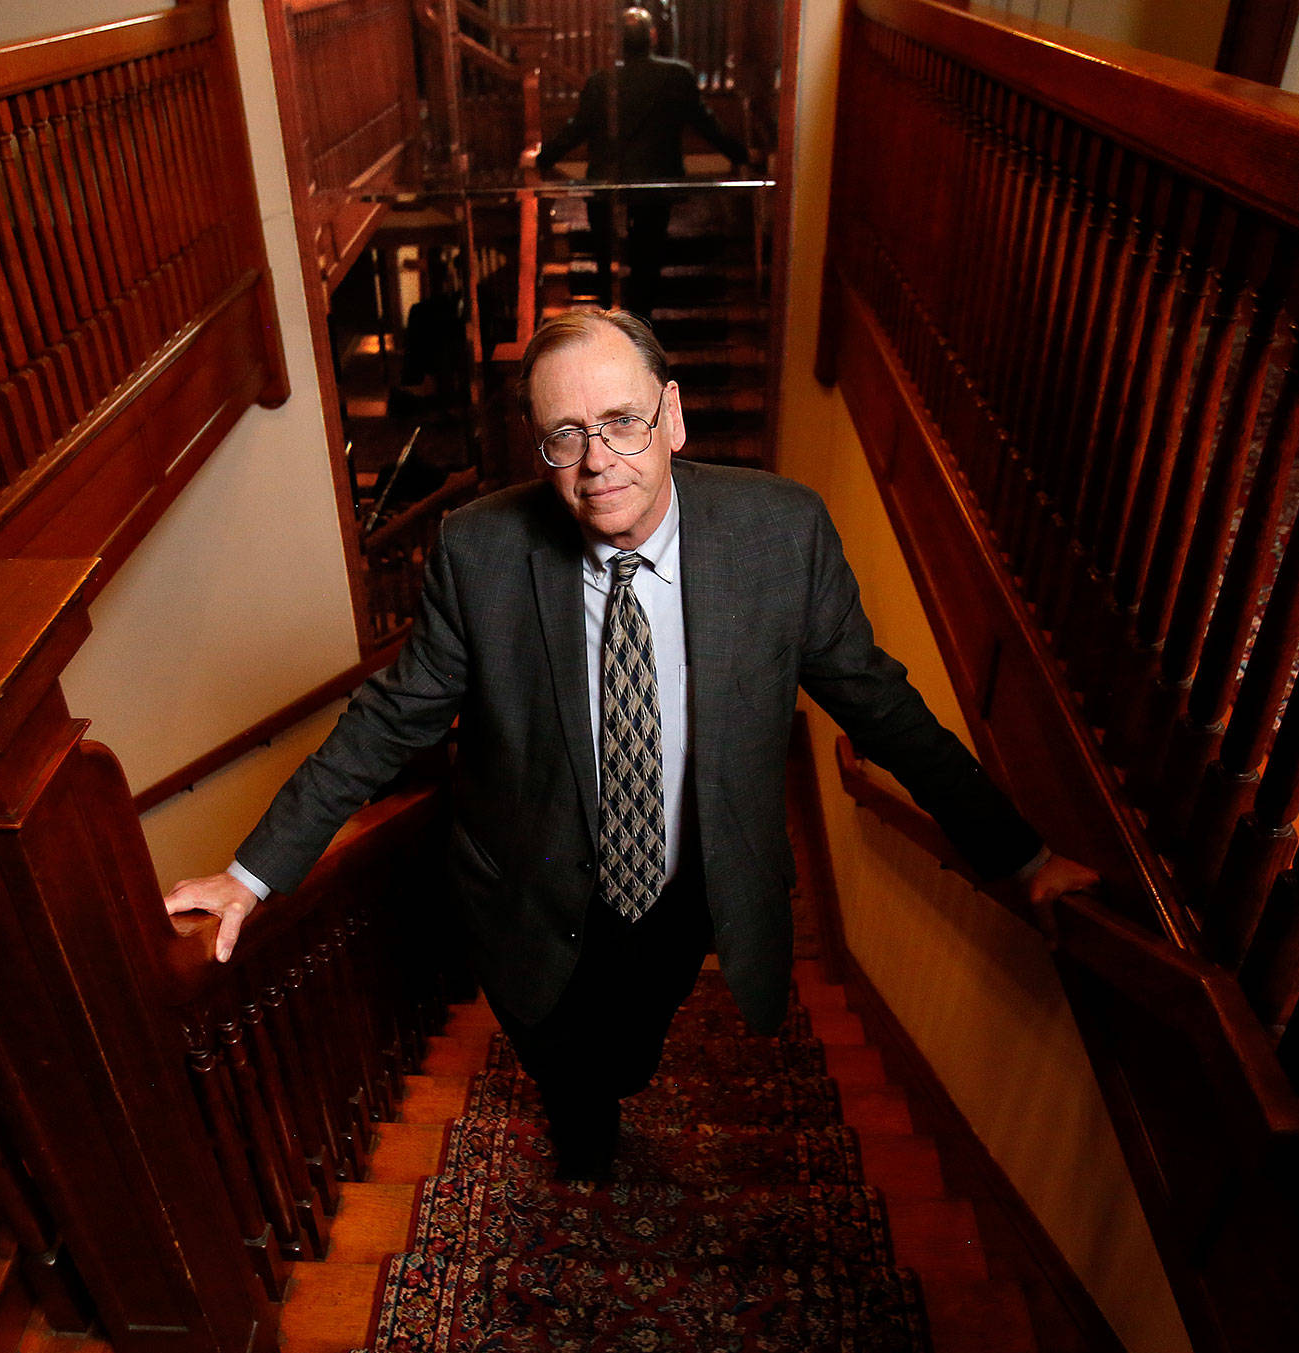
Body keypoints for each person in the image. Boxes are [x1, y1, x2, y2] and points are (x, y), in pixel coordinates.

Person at [166, 308, 1096, 1180]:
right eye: (564, 434)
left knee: (633, 1038)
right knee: (560, 1052)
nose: (597, 459)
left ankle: (607, 1078)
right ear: (541, 449)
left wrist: (1023, 855)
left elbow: (882, 709)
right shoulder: (479, 551)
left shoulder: (781, 535)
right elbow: (389, 718)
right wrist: (249, 874)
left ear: (674, 417)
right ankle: (582, 1127)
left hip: (687, 878)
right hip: (527, 884)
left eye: (622, 421)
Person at [521, 7, 750, 319]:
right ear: (652, 37)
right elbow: (707, 125)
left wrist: (542, 158)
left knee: (603, 256)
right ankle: (641, 320)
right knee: (648, 259)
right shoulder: (676, 75)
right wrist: (743, 155)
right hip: (654, 183)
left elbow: (576, 130)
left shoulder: (602, 81)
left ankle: (606, 314)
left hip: (606, 182)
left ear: (619, 43)